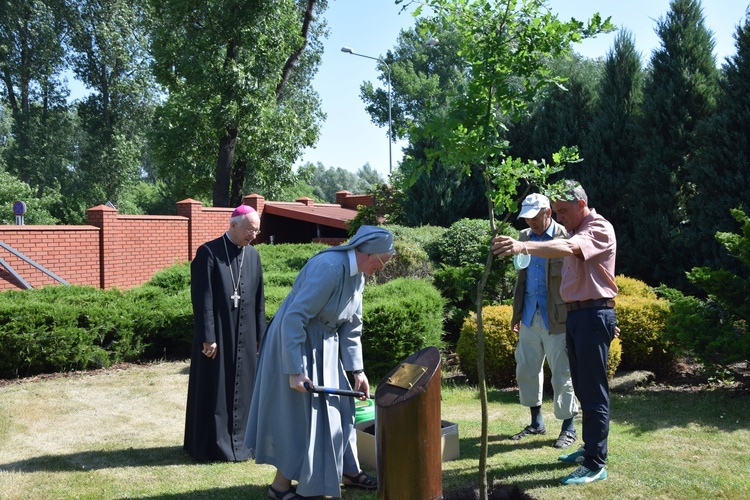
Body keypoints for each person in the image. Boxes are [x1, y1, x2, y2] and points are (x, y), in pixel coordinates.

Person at [245, 225, 394, 499]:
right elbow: (294, 317)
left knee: (342, 408)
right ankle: (280, 488)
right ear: (369, 253)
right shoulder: (329, 267)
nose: (383, 268)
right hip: (294, 343)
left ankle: (349, 472)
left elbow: (352, 327)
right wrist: (294, 371)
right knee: (302, 418)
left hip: (325, 345)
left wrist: (357, 370)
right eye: (384, 262)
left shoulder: (359, 275)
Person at [492, 180, 617, 485]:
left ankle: (595, 463)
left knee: (593, 391)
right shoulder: (575, 229)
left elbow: (569, 247)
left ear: (581, 205)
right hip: (576, 317)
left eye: (562, 211)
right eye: (557, 211)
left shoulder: (598, 228)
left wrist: (524, 245)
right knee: (584, 389)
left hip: (592, 314)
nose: (560, 217)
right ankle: (590, 448)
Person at [184, 205, 265, 462]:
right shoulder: (208, 252)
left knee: (245, 389)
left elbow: (259, 299)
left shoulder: (252, 256)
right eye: (250, 230)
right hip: (218, 334)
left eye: (256, 231)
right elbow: (202, 298)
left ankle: (244, 443)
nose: (253, 235)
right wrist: (207, 337)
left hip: (246, 333)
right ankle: (213, 445)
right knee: (216, 389)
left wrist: (260, 336)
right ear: (233, 225)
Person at [508, 193, 579, 449]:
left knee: (563, 373)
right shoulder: (524, 238)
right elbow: (521, 281)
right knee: (527, 369)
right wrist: (517, 315)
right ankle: (536, 423)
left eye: (534, 217)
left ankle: (568, 428)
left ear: (547, 212)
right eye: (526, 218)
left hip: (558, 318)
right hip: (529, 315)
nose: (530, 223)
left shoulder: (566, 237)